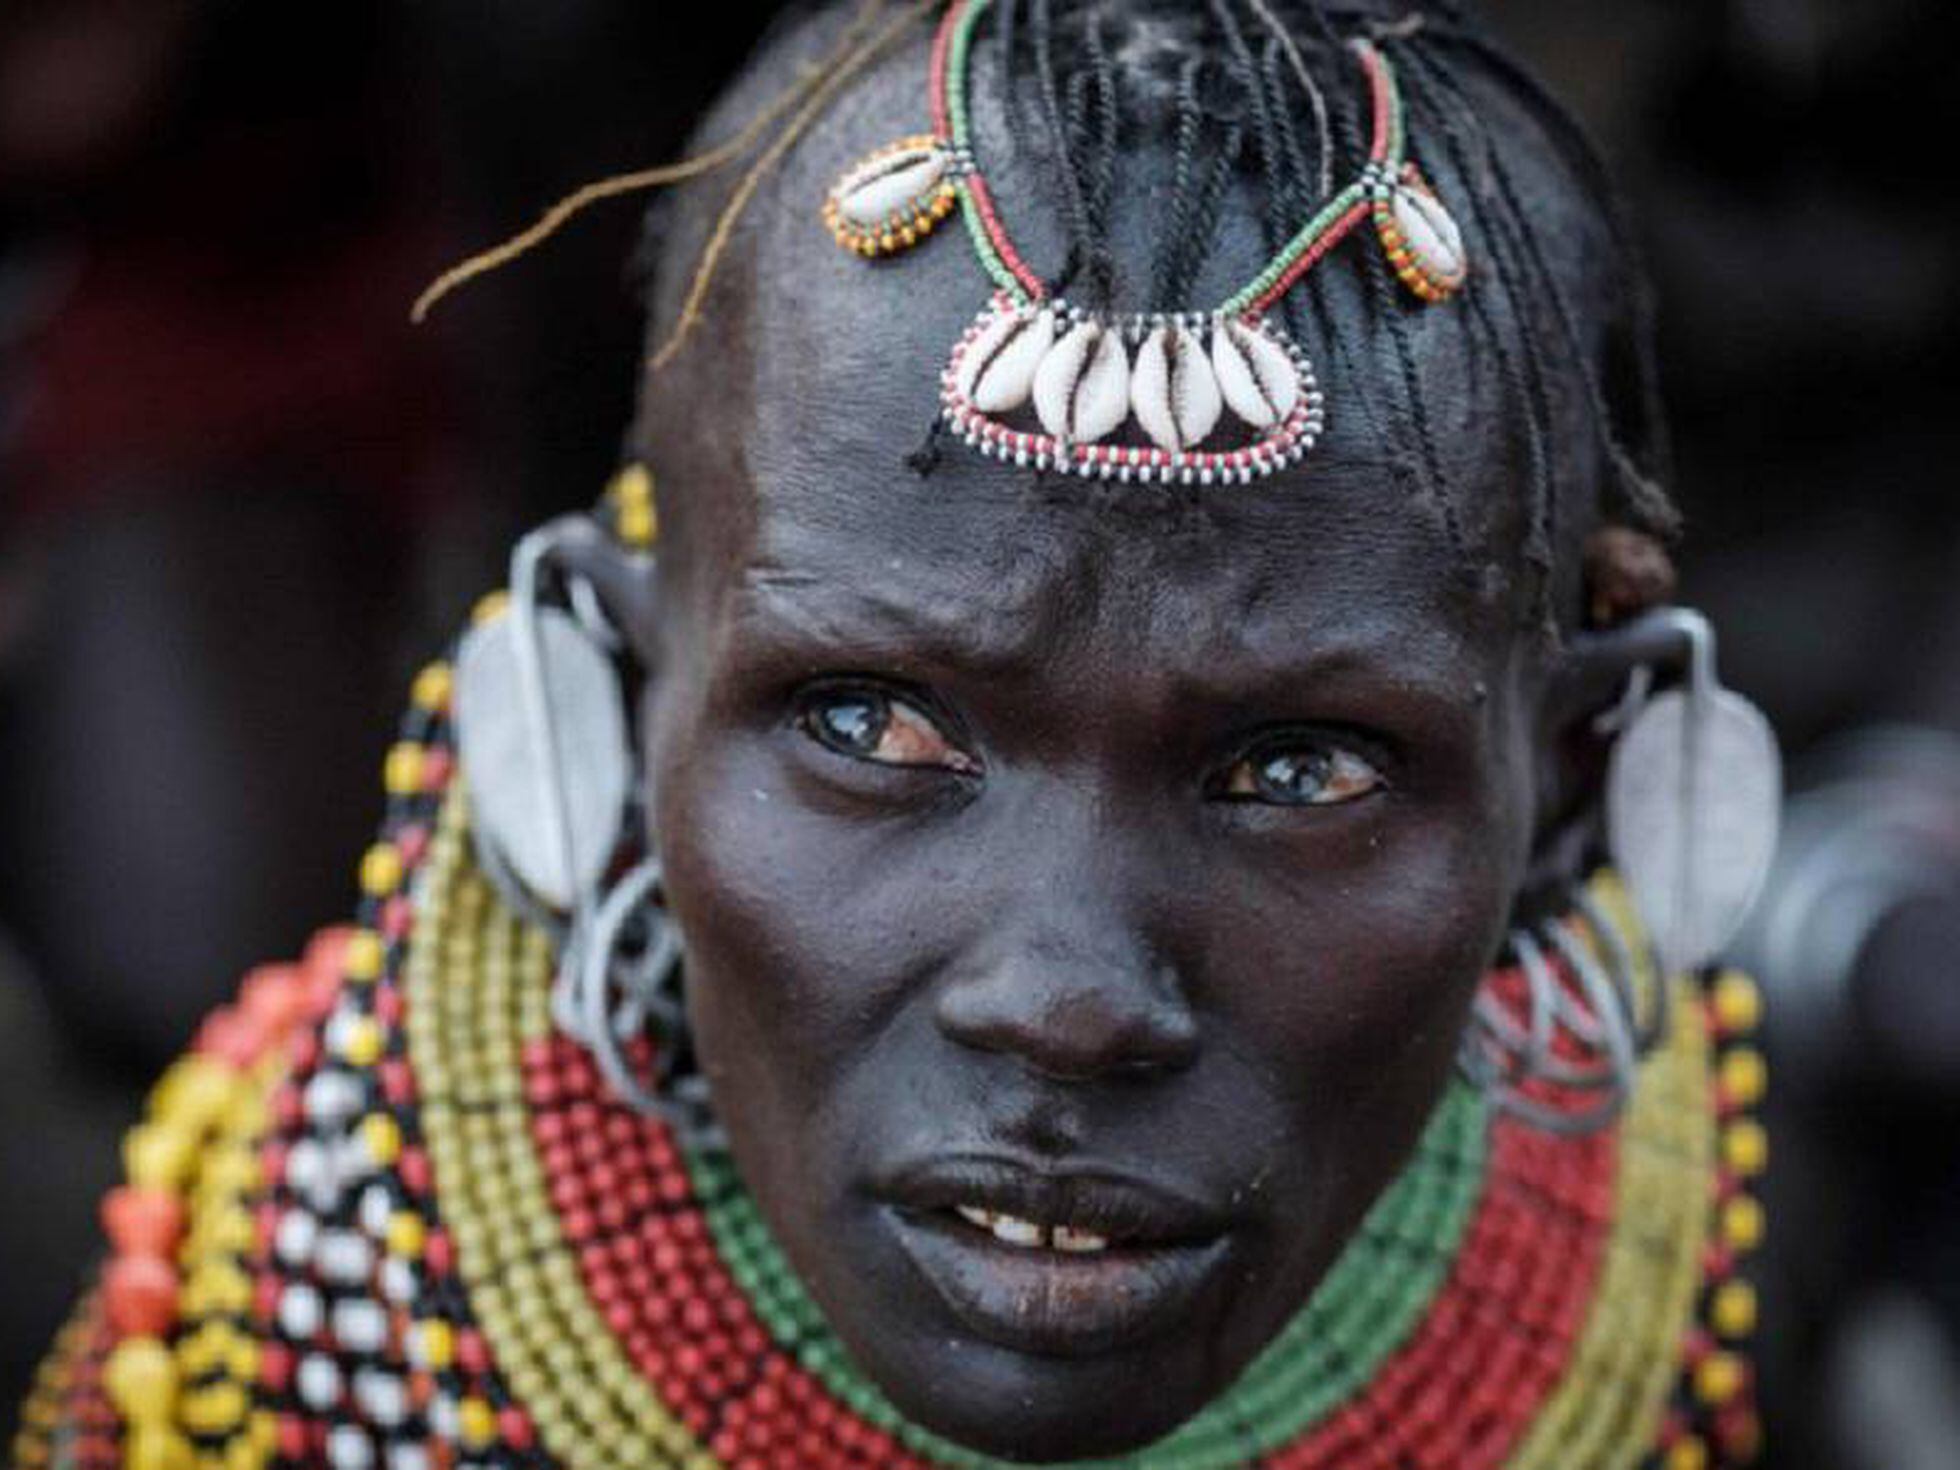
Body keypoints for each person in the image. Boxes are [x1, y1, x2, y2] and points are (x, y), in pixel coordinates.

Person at [9, 2, 1779, 1467]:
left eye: (1299, 770)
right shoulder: (315, 1331)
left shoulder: (1663, 1260)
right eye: (866, 721)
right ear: (612, 720)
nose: (1069, 995)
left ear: (1576, 797)